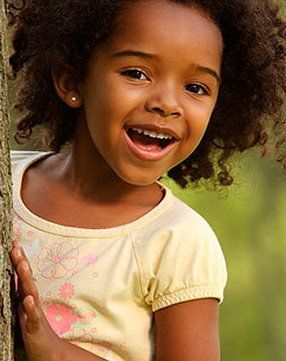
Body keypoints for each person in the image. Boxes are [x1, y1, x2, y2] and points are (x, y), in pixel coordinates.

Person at [7, 0, 285, 360]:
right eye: (137, 73)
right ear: (71, 79)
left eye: (196, 88)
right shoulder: (8, 179)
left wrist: (55, 351)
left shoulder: (177, 242)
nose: (167, 104)